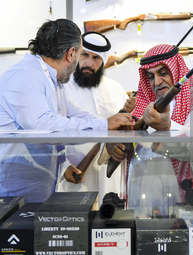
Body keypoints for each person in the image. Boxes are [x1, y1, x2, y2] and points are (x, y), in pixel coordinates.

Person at [0, 19, 133, 203]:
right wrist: (104, 124)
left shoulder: (53, 80)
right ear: (71, 53)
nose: (84, 61)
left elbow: (74, 113)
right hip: (14, 197)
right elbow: (45, 127)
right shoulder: (24, 76)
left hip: (40, 191)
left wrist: (112, 123)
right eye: (81, 54)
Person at [104, 44, 193, 217]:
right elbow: (124, 139)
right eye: (150, 76)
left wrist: (168, 128)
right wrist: (112, 146)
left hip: (186, 199)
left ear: (176, 70)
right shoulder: (143, 101)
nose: (156, 82)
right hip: (143, 197)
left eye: (163, 73)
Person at [57, 31, 134, 204]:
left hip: (111, 175)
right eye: (85, 55)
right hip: (75, 174)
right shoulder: (62, 88)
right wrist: (63, 166)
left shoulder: (115, 88)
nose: (88, 63)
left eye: (96, 58)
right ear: (76, 54)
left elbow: (128, 131)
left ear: (104, 61)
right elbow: (52, 131)